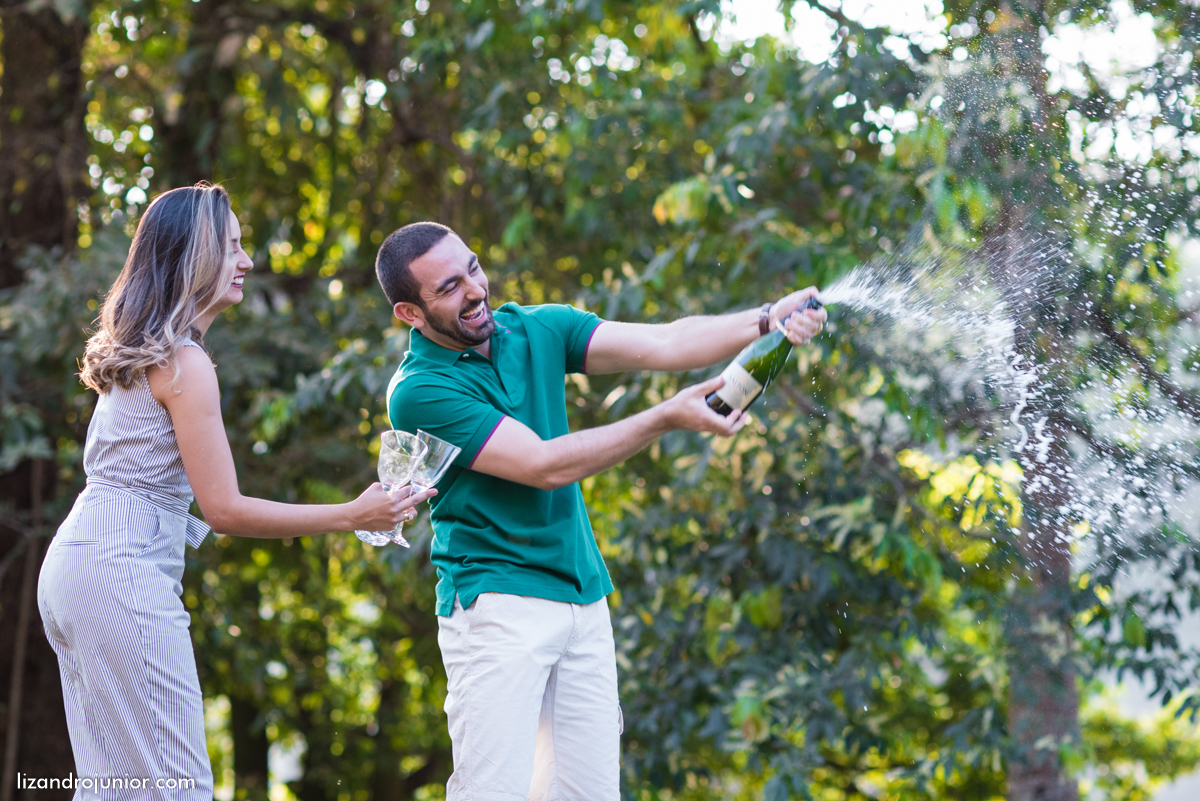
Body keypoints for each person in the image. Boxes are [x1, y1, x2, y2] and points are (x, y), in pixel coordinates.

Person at [377, 222, 825, 800]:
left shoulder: (537, 328)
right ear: (411, 314)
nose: (474, 289)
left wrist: (769, 318)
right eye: (448, 288)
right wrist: (665, 417)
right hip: (497, 605)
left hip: (583, 598)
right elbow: (543, 465)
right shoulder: (418, 390)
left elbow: (667, 343)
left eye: (474, 268)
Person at [37, 184, 435, 799]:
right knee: (175, 784)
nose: (247, 261)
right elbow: (223, 509)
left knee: (112, 784)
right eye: (232, 246)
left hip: (75, 567)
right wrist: (353, 512)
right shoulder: (184, 362)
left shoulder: (149, 354)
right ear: (194, 257)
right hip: (118, 571)